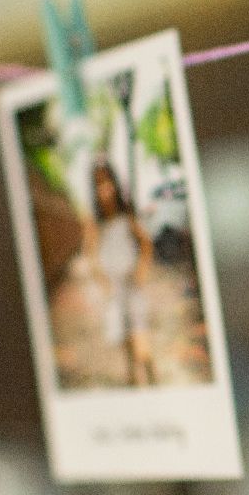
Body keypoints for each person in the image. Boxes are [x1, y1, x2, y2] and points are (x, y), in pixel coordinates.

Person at [90, 158, 156, 386]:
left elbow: (146, 244)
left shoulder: (127, 216)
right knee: (124, 340)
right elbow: (92, 255)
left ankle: (150, 375)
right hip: (115, 292)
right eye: (98, 185)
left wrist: (141, 269)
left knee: (140, 341)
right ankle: (133, 381)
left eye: (107, 183)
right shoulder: (97, 224)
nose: (104, 190)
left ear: (115, 185)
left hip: (132, 286)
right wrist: (102, 280)